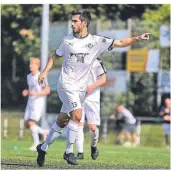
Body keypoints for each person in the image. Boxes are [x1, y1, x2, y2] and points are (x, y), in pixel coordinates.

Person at [36, 9, 151, 166]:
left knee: (62, 121)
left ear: (84, 23)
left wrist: (137, 38)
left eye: (75, 21)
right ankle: (68, 152)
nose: (72, 23)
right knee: (77, 115)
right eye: (72, 21)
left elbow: (120, 43)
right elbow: (54, 57)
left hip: (80, 90)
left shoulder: (97, 41)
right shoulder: (67, 41)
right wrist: (44, 72)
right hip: (66, 85)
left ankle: (43, 148)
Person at [74, 58, 107, 160]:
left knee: (92, 128)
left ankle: (93, 146)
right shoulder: (78, 59)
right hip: (79, 96)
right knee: (79, 123)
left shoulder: (97, 61)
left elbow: (103, 79)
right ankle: (80, 152)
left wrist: (91, 86)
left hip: (92, 98)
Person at [22, 57, 51, 151]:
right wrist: (27, 92)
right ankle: (44, 132)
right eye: (30, 64)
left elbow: (47, 90)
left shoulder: (41, 76)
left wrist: (36, 94)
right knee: (27, 123)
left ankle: (36, 143)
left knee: (31, 123)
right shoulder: (29, 76)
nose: (30, 66)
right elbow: (31, 90)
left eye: (32, 64)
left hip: (38, 102)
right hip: (30, 102)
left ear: (37, 65)